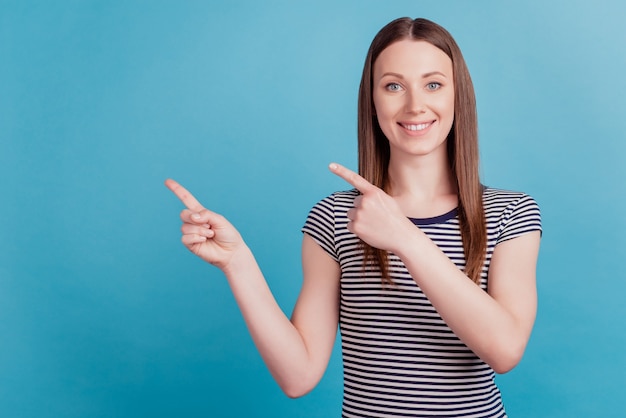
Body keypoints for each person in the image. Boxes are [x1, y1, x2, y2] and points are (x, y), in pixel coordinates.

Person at [165, 17, 541, 418]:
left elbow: (505, 350)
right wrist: (236, 262)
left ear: (457, 96)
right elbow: (299, 376)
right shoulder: (333, 219)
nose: (415, 104)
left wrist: (406, 239)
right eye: (393, 85)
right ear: (373, 100)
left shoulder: (509, 213)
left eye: (433, 84)